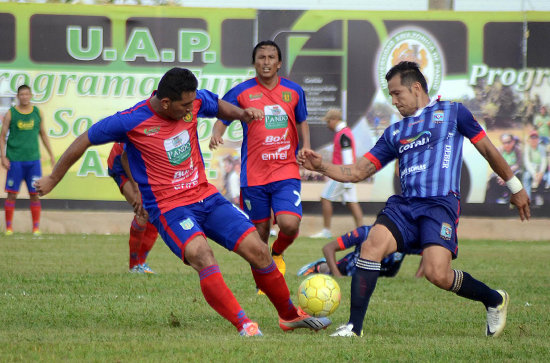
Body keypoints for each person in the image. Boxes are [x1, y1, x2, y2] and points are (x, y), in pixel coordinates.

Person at [35, 67, 331, 336]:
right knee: (202, 255)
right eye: (185, 107)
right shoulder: (132, 120)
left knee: (258, 250)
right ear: (166, 103)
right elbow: (84, 139)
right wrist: (52, 179)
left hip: (205, 195)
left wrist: (241, 114)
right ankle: (244, 324)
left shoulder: (194, 102)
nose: (192, 110)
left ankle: (289, 315)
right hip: (169, 207)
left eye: (193, 104)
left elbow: (215, 104)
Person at [299, 61, 530, 338]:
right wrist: (321, 166)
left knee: (437, 274)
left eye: (398, 94)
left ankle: (494, 299)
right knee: (371, 246)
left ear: (416, 87)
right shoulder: (395, 132)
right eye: (391, 95)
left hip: (439, 204)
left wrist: (516, 187)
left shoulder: (453, 112)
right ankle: (353, 327)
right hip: (404, 206)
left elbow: (488, 150)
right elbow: (359, 171)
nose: (394, 101)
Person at [209, 40, 311, 278]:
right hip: (254, 174)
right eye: (261, 58)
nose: (266, 62)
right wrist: (216, 133)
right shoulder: (241, 91)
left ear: (279, 63)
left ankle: (277, 253)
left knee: (289, 224)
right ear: (254, 62)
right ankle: (264, 282)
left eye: (271, 58)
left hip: (285, 170)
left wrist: (306, 146)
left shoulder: (294, 91)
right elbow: (223, 115)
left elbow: (301, 121)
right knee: (259, 232)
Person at [0, 85, 56, 236]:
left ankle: (36, 228)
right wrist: (3, 156)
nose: (24, 97)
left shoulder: (37, 112)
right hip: (15, 160)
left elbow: (43, 134)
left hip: (33, 161)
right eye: (21, 94)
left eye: (27, 94)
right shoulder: (11, 113)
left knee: (35, 194)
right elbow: (2, 136)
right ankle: (9, 228)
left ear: (31, 95)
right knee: (12, 194)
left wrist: (51, 154)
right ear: (18, 96)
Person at [311, 108, 363, 239]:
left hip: (341, 174)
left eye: (328, 122)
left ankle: (326, 231)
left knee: (325, 198)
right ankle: (362, 232)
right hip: (346, 174)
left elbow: (347, 159)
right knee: (352, 202)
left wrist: (347, 180)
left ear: (334, 120)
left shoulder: (343, 134)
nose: (327, 125)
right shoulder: (344, 133)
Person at [107, 142, 158, 273]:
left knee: (155, 213)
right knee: (143, 212)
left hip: (141, 167)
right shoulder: (141, 125)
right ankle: (134, 265)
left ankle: (142, 263)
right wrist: (136, 190)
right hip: (121, 166)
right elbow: (125, 157)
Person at [298, 225, 420, 279]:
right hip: (346, 270)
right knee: (326, 272)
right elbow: (328, 248)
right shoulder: (364, 232)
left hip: (374, 276)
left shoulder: (404, 238)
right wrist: (338, 277)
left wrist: (417, 278)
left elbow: (429, 251)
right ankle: (320, 266)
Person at [484, 133, 522, 204]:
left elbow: (518, 165)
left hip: (513, 172)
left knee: (517, 177)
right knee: (492, 179)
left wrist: (506, 175)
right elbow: (496, 164)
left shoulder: (518, 151)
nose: (506, 145)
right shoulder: (499, 150)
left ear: (513, 142)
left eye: (508, 142)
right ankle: (492, 202)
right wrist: (501, 175)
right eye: (504, 143)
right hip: (500, 171)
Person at [522, 130, 547, 206]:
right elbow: (527, 162)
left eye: (535, 137)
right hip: (531, 170)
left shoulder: (542, 148)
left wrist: (541, 172)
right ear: (529, 139)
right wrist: (534, 174)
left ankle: (540, 197)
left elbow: (544, 161)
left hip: (541, 170)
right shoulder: (527, 148)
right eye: (532, 137)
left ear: (538, 139)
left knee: (546, 178)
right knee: (526, 177)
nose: (534, 139)